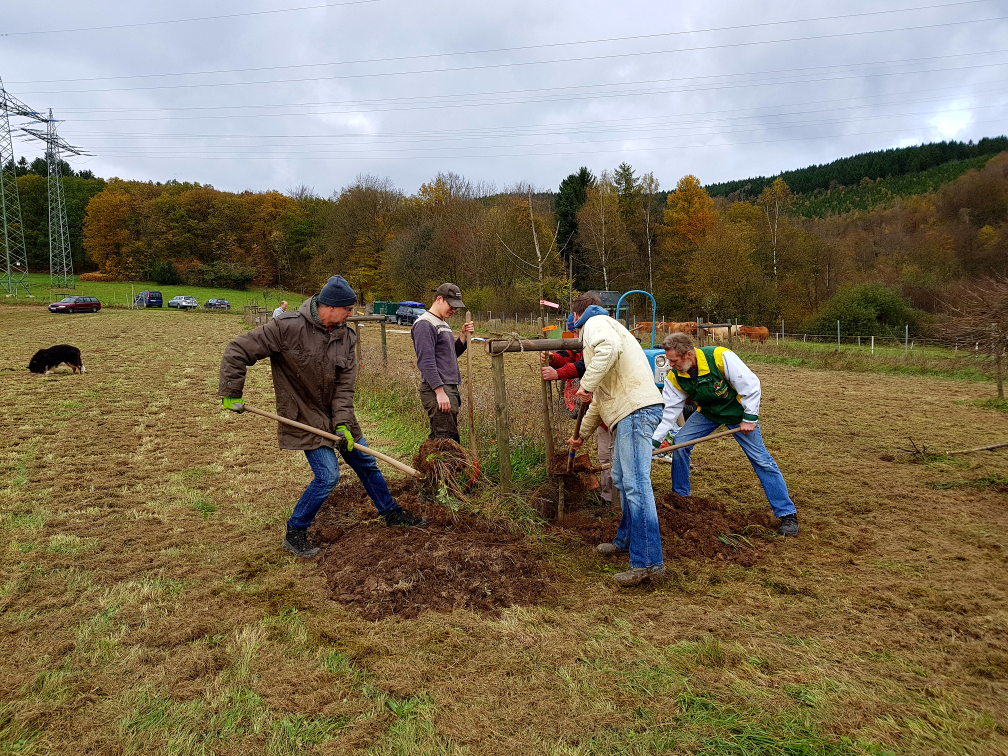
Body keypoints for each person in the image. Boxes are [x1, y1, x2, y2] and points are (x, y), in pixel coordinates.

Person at [219, 275, 424, 559]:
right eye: (348, 309)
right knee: (328, 476)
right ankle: (296, 532)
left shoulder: (346, 336)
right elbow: (238, 349)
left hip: (339, 416)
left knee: (366, 462)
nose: (352, 314)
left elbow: (344, 386)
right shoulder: (286, 328)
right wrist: (232, 390)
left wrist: (342, 423)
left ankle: (390, 512)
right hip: (304, 416)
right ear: (329, 306)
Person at [565, 292, 666, 587]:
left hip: (635, 410)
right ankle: (625, 541)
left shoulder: (596, 323)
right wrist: (581, 436)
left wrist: (585, 384)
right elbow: (599, 400)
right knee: (623, 479)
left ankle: (649, 563)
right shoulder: (605, 326)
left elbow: (606, 353)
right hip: (628, 412)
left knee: (636, 485)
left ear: (575, 317)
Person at [655, 332, 799, 536]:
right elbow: (670, 411)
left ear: (688, 355)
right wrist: (655, 440)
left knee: (761, 459)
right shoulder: (675, 376)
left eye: (674, 360)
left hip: (737, 413)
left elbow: (750, 385)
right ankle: (681, 499)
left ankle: (787, 513)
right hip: (709, 413)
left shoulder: (720, 357)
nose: (670, 365)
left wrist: (749, 418)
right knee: (680, 443)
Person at [541, 313, 614, 503]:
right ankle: (608, 497)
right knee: (605, 453)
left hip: (613, 408)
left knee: (619, 456)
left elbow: (582, 366)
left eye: (577, 332)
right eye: (572, 332)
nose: (575, 337)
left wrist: (558, 373)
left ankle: (621, 499)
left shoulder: (601, 345)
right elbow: (567, 356)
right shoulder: (579, 343)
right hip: (597, 411)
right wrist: (552, 358)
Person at [410, 283, 475, 444]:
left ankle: (428, 466)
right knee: (446, 440)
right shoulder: (425, 324)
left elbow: (451, 354)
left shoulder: (442, 323)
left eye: (456, 307)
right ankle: (439, 468)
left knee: (443, 436)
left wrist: (463, 336)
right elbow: (426, 361)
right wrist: (439, 392)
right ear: (439, 299)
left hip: (448, 387)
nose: (454, 310)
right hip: (437, 388)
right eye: (451, 305)